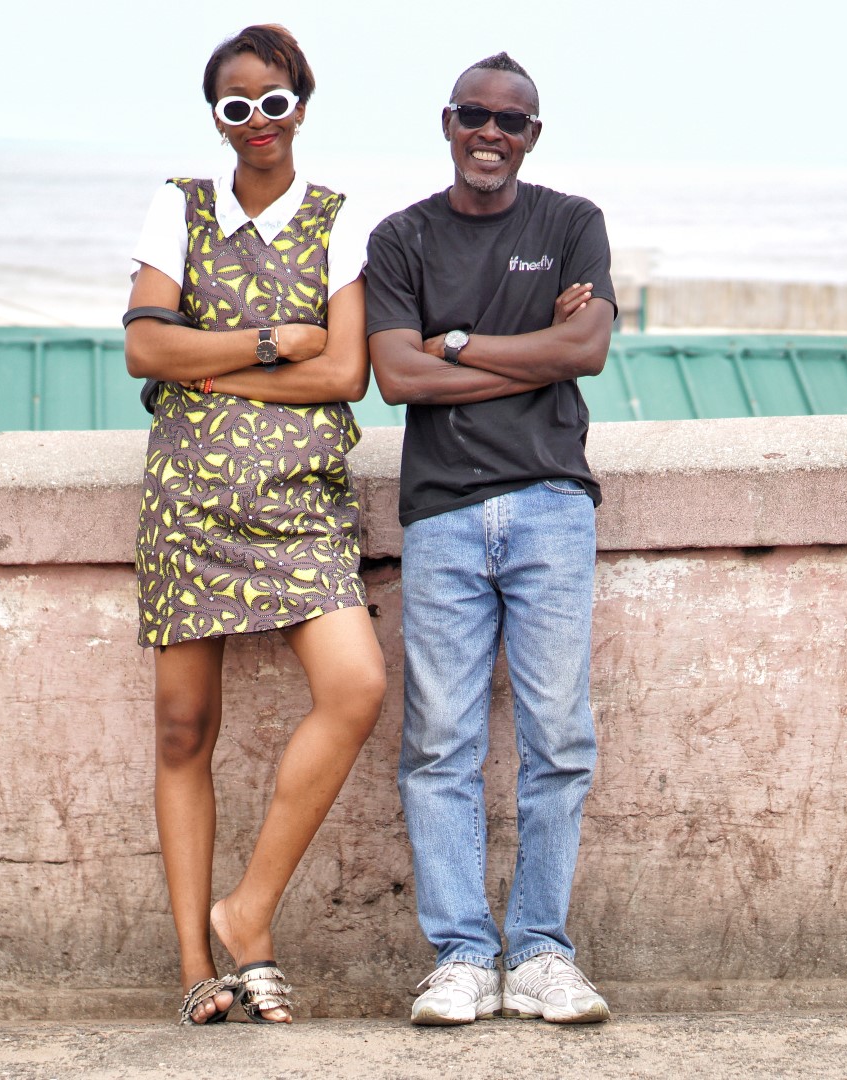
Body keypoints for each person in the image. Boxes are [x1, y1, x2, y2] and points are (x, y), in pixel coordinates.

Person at [124, 23, 385, 1026]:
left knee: (357, 686)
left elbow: (346, 374)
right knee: (184, 728)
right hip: (189, 505)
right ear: (217, 118)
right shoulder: (178, 206)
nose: (258, 122)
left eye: (275, 102)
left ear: (302, 106)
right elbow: (147, 349)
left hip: (303, 511)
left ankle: (249, 911)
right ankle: (199, 966)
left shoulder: (338, 222)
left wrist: (208, 362)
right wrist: (275, 340)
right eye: (237, 106)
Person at [364, 51, 616, 1026]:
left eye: (512, 121)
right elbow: (397, 378)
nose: (491, 134)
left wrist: (457, 343)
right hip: (442, 513)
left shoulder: (570, 223)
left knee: (559, 738)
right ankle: (464, 956)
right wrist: (533, 361)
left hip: (553, 502)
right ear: (448, 121)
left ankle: (544, 954)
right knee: (440, 745)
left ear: (532, 136)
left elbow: (586, 349)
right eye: (476, 115)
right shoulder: (401, 239)